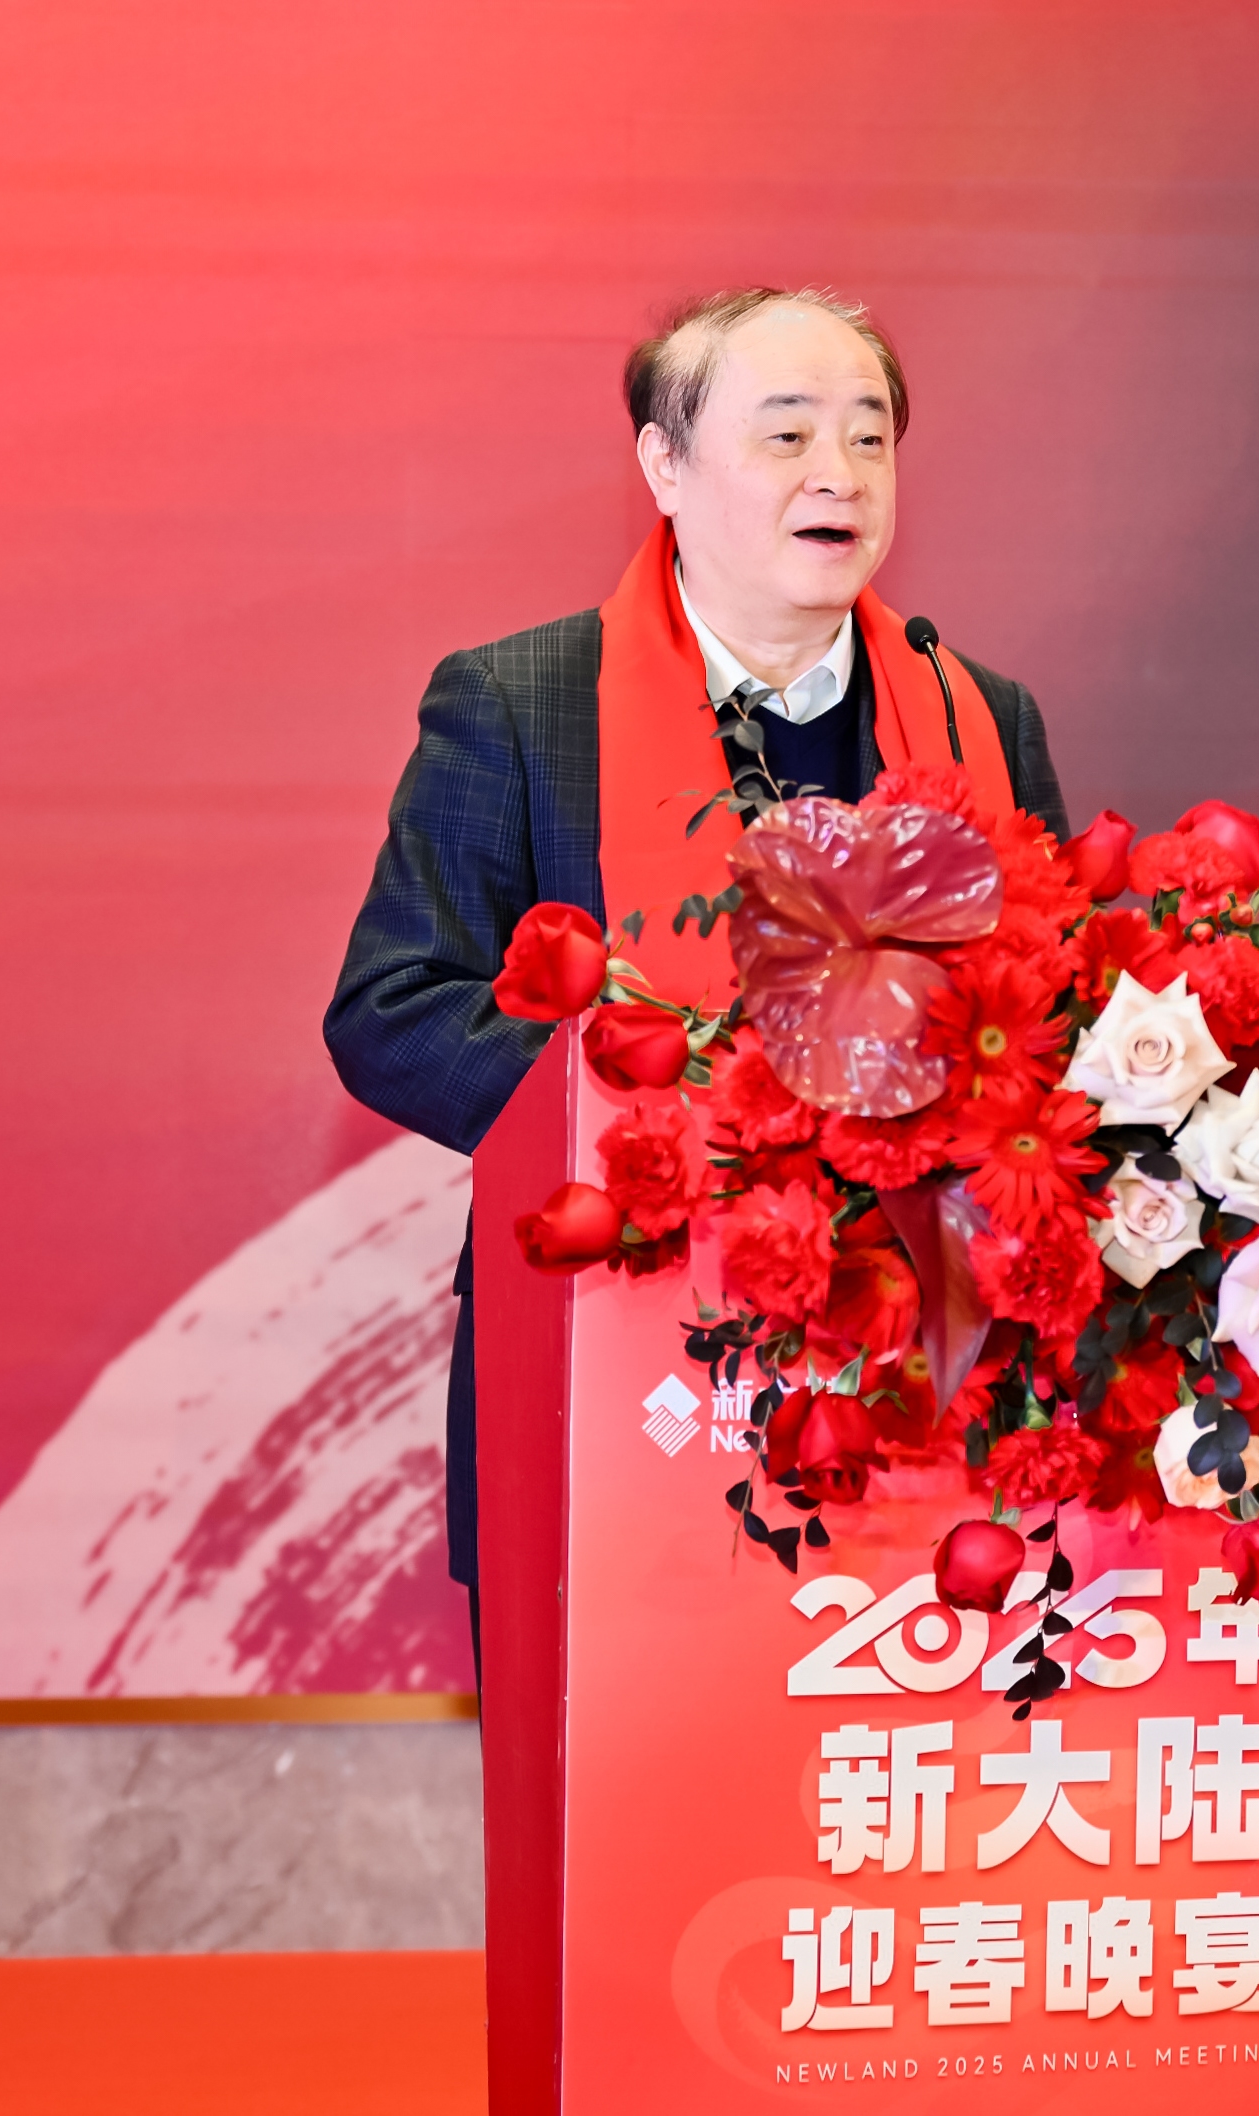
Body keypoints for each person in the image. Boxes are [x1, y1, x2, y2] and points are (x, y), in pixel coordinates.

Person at [322, 287, 1069, 1658]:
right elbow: (393, 1011)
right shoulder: (522, 706)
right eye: (786, 436)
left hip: (924, 1379)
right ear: (663, 466)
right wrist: (687, 1113)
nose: (838, 473)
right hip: (612, 1363)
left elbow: (1052, 1017)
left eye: (868, 437)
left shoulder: (978, 714)